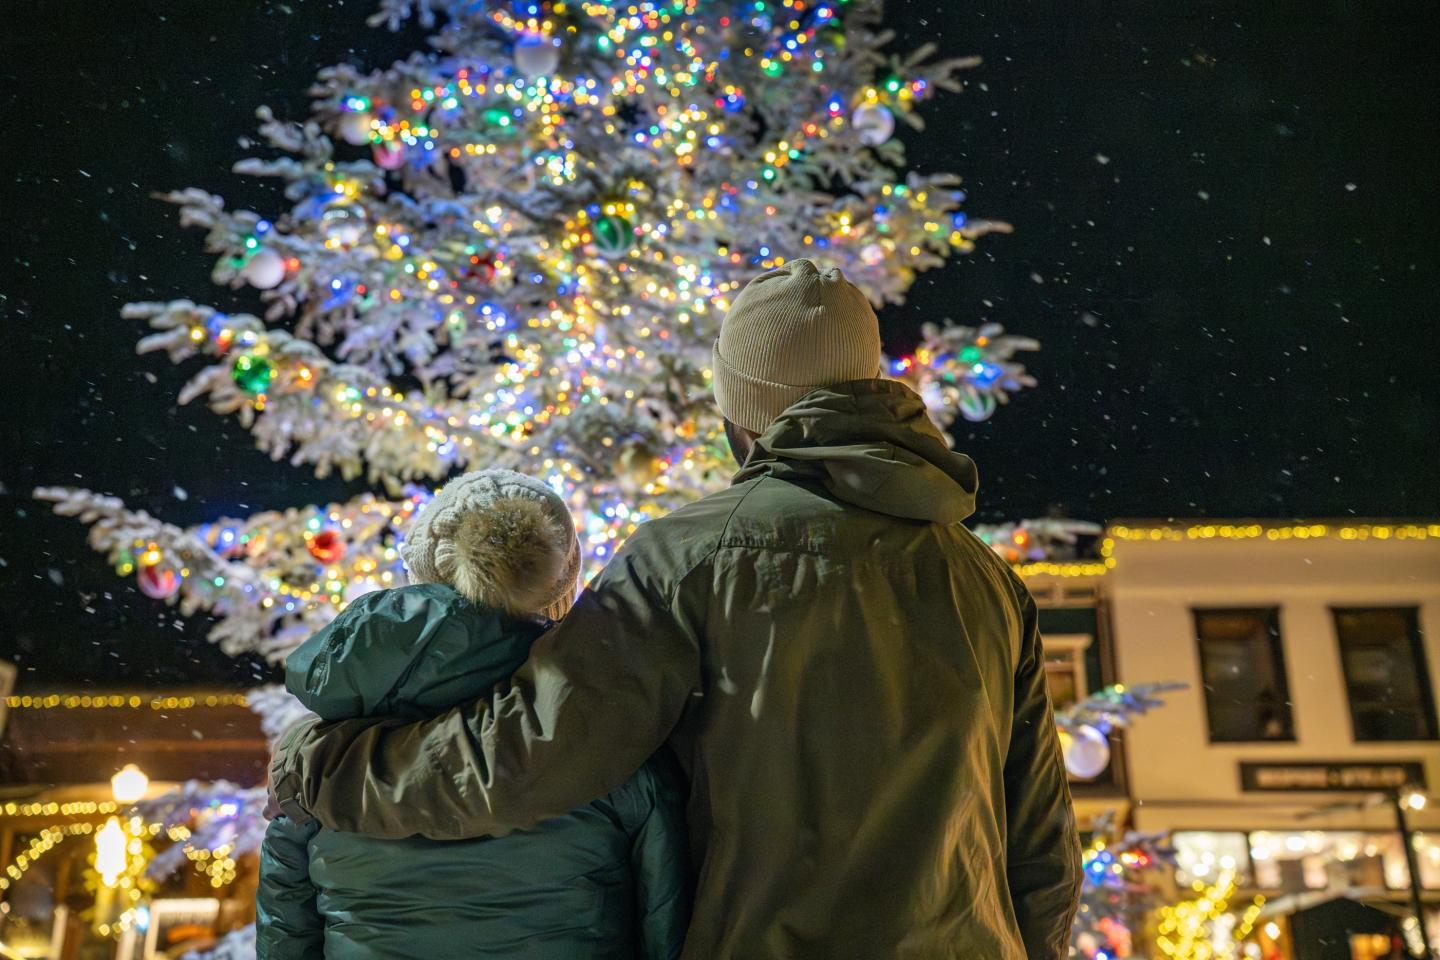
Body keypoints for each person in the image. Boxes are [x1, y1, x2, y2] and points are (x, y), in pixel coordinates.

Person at [270, 259, 1083, 959]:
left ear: (745, 404)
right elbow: (1040, 849)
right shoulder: (984, 580)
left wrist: (329, 770)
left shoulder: (690, 557)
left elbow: (527, 758)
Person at [256, 470, 690, 960]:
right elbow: (666, 927)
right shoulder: (611, 744)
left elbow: (285, 932)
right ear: (555, 586)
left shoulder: (315, 765)